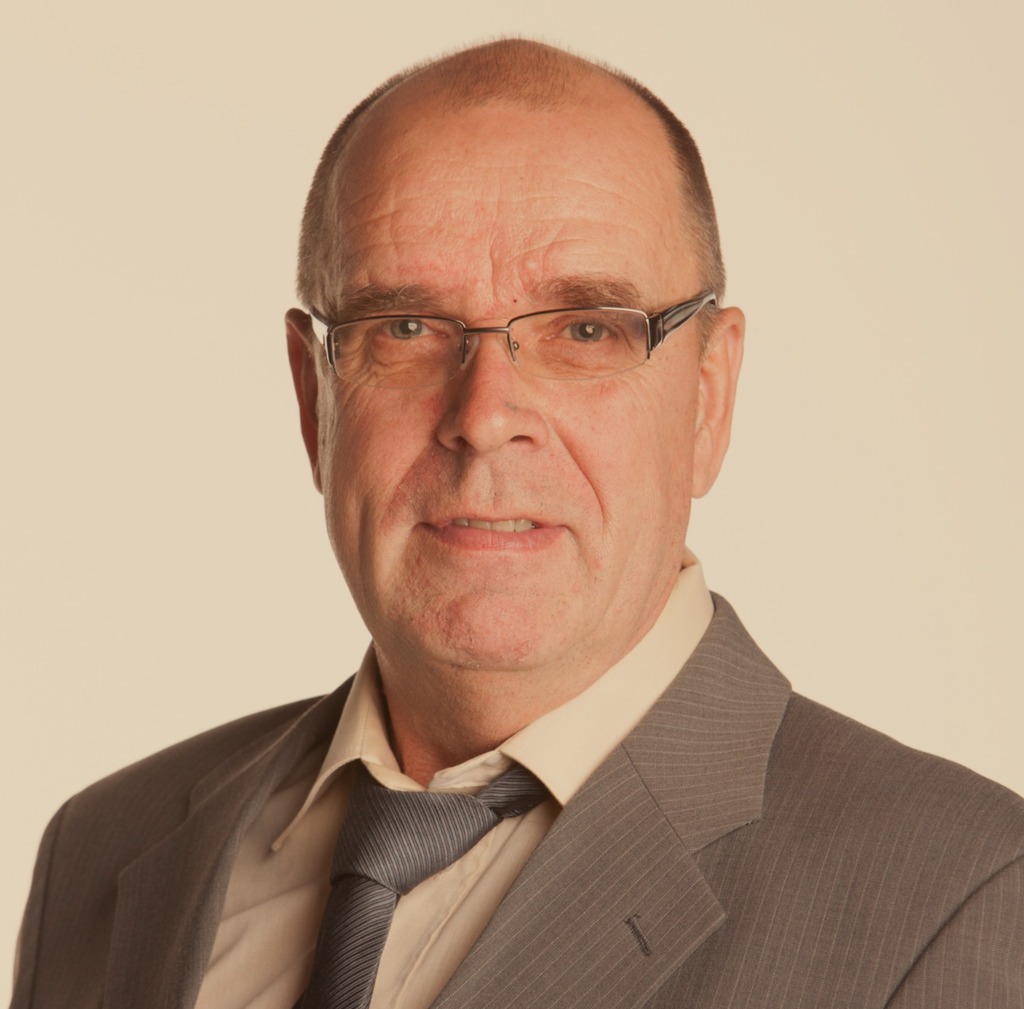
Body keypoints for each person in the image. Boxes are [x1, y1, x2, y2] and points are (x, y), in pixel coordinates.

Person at [11, 38, 1024, 1009]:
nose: (485, 415)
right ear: (314, 397)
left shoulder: (961, 901)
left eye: (585, 328)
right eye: (405, 327)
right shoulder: (105, 850)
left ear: (707, 398)